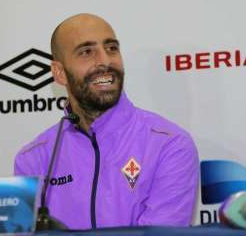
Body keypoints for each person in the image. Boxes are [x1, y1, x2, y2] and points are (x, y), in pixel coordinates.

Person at [14, 13, 199, 229]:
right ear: (60, 72)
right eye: (86, 52)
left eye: (111, 48)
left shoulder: (170, 145)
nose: (104, 61)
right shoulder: (34, 158)